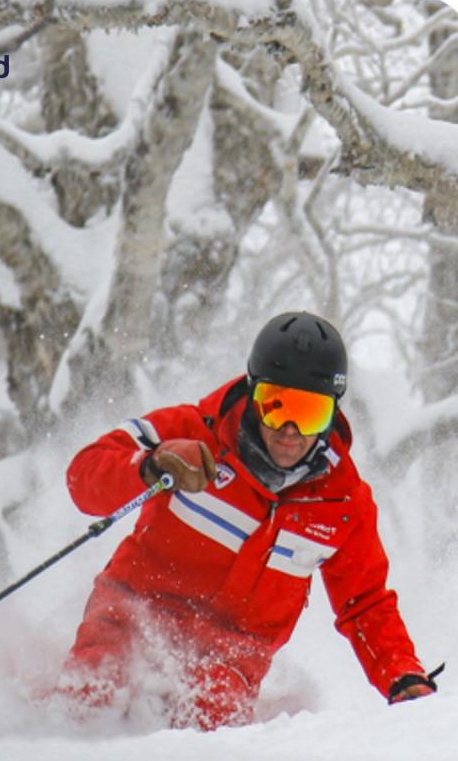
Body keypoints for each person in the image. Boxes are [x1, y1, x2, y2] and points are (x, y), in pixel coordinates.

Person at [56, 311, 441, 730]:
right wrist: (150, 466)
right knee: (93, 701)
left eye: (310, 413)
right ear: (254, 394)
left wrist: (402, 677)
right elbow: (84, 473)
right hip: (134, 616)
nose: (290, 430)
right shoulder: (193, 434)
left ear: (332, 416)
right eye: (276, 407)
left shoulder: (341, 501)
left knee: (210, 723)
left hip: (233, 656)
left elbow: (365, 603)